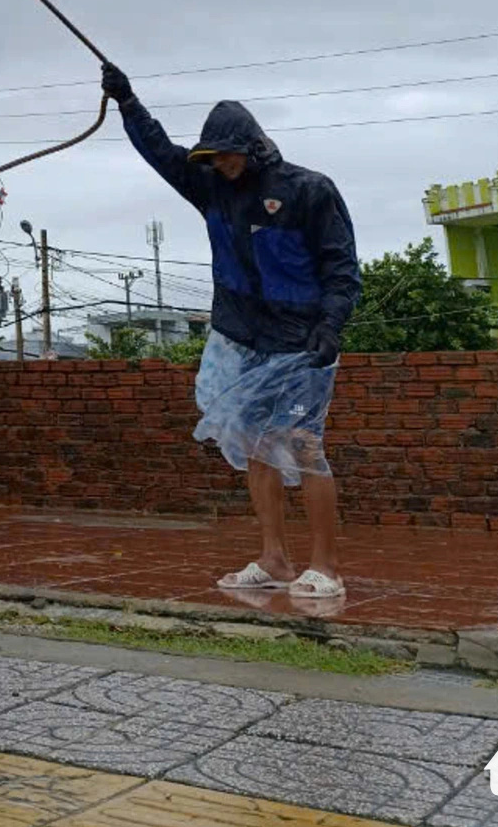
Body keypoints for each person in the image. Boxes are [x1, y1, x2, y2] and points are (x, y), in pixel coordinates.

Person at [102, 63, 360, 599]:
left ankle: (327, 567)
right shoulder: (213, 189)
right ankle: (274, 559)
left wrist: (331, 325)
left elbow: (340, 266)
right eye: (214, 156)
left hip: (301, 341)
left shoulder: (309, 191)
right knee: (253, 444)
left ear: (254, 145)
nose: (222, 163)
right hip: (240, 337)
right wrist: (128, 103)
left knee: (305, 444)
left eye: (228, 153)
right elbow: (160, 152)